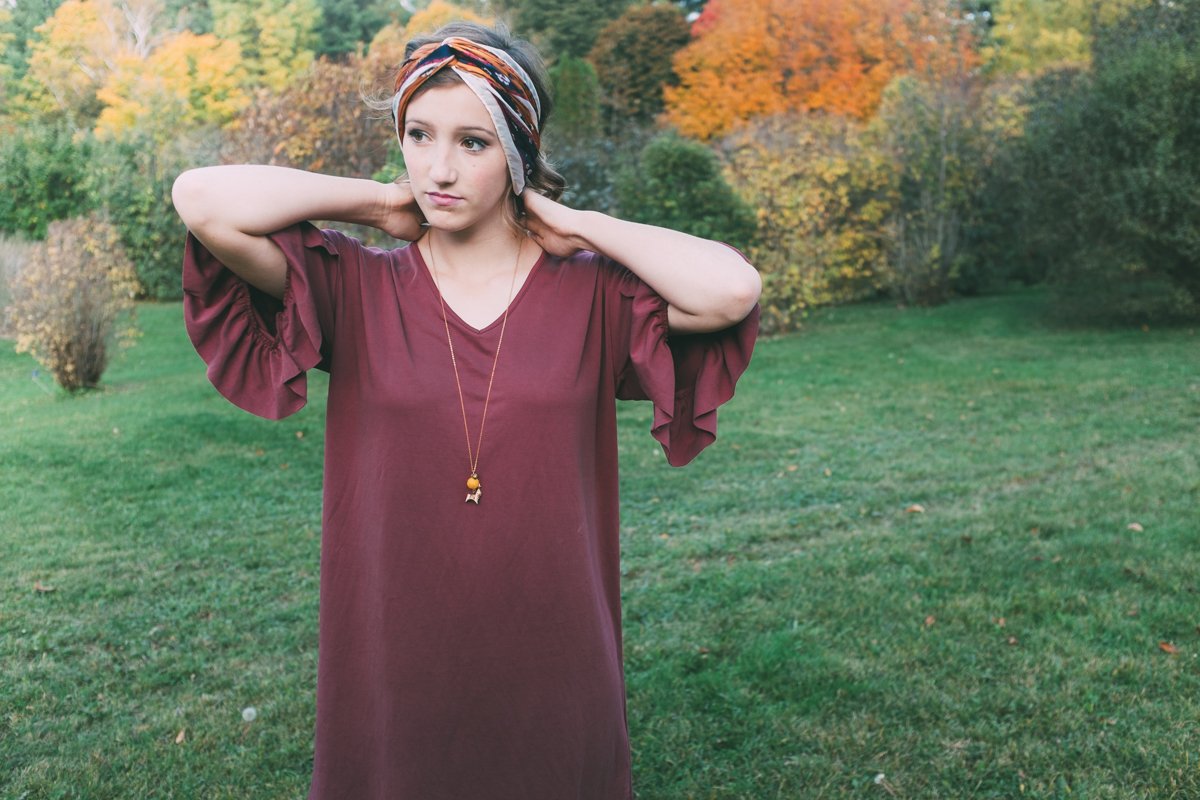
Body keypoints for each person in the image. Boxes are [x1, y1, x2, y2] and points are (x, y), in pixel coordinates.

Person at [172, 20, 760, 800]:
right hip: (397, 651)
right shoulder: (354, 284)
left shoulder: (593, 292)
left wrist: (579, 225)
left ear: (518, 153)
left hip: (555, 648)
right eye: (418, 134)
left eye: (474, 143)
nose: (438, 169)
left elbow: (731, 290)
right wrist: (380, 202)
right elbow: (200, 199)